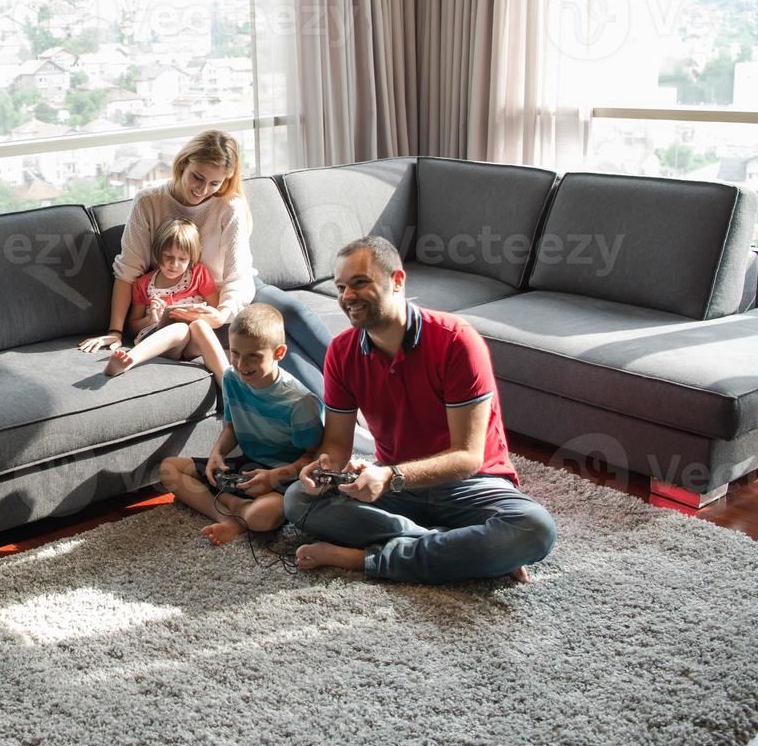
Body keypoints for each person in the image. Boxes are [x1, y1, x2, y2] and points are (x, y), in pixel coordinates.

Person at [284, 236, 558, 584]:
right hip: (396, 487)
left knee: (534, 529)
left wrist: (391, 476)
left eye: (359, 283)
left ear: (397, 281)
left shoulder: (456, 340)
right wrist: (325, 469)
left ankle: (367, 559)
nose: (346, 297)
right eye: (340, 287)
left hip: (469, 483)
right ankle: (462, 548)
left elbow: (468, 457)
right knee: (298, 501)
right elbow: (337, 444)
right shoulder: (342, 352)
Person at [158, 304, 324, 546]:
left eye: (253, 356)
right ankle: (229, 516)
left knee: (262, 517)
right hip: (245, 467)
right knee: (169, 470)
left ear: (279, 353)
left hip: (284, 477)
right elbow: (233, 427)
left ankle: (232, 505)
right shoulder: (231, 378)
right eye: (235, 353)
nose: (241, 364)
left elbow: (314, 457)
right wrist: (217, 453)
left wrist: (273, 477)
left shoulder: (300, 402)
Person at [79, 130, 253, 359]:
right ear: (183, 165)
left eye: (214, 183)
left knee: (296, 316)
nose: (202, 190)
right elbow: (127, 271)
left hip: (230, 298)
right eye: (198, 177)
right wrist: (115, 331)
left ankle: (314, 393)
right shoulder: (149, 201)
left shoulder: (230, 206)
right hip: (189, 311)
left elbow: (238, 277)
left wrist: (221, 314)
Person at [104, 218, 229, 381]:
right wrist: (152, 318)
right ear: (158, 252)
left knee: (199, 325)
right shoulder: (143, 284)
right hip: (159, 340)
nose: (174, 264)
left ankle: (229, 385)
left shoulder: (198, 274)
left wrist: (198, 314)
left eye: (182, 259)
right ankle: (129, 360)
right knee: (180, 329)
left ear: (191, 258)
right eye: (168, 256)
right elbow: (133, 327)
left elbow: (214, 310)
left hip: (191, 344)